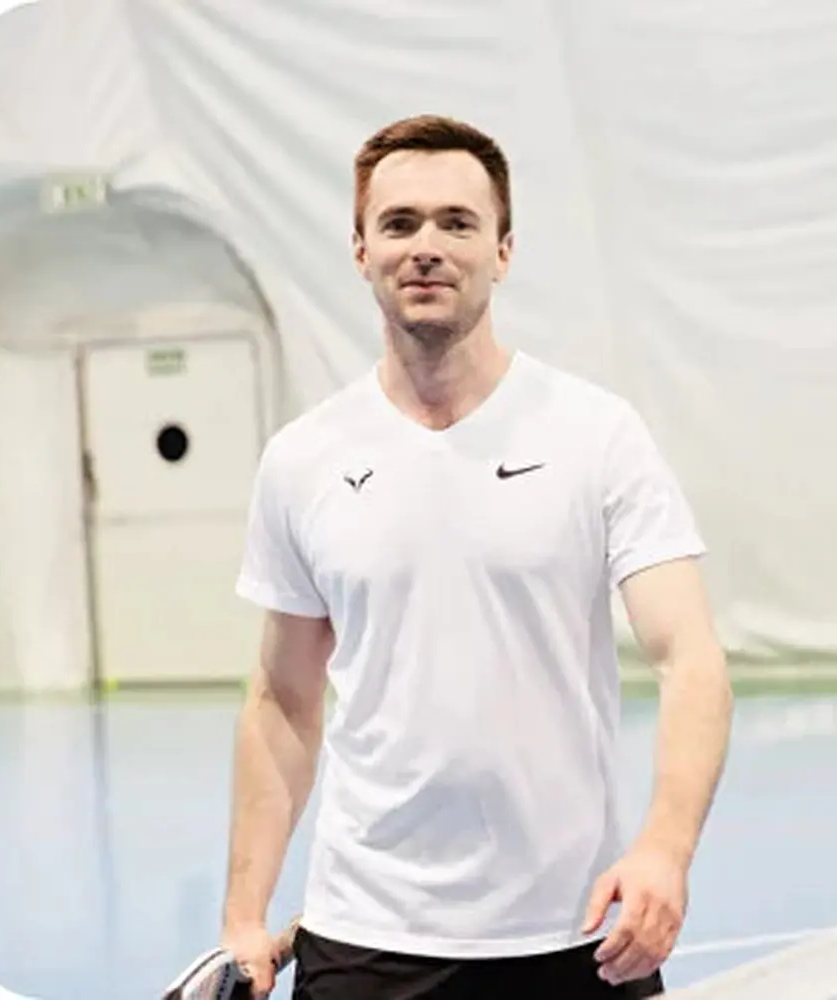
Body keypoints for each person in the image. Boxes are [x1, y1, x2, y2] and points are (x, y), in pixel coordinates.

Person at [217, 114, 733, 999]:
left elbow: (691, 660)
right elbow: (283, 701)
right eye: (399, 223)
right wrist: (242, 918)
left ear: (503, 250)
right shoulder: (304, 459)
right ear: (361, 249)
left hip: (576, 935)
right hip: (363, 939)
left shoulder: (596, 434)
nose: (427, 246)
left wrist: (665, 850)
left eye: (457, 222)